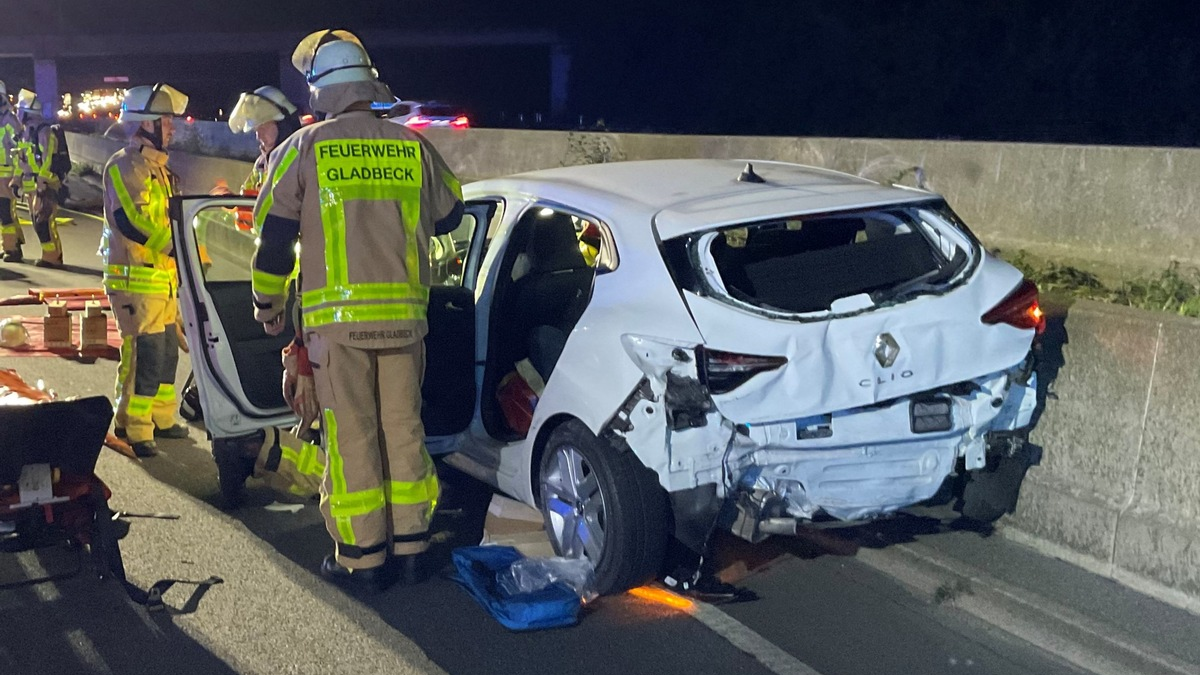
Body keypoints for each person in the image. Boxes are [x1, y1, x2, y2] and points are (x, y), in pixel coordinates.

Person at [251, 29, 463, 591]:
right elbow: (451, 214)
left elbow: (274, 242)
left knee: (352, 437)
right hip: (406, 323)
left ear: (320, 90)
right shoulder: (413, 146)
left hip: (338, 328)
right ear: (370, 84)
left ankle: (363, 558)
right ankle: (412, 548)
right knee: (404, 430)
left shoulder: (304, 148)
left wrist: (268, 305)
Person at [101, 83, 191, 457]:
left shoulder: (161, 170)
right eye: (165, 120)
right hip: (135, 280)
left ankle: (161, 418)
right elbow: (129, 220)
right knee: (145, 354)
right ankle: (133, 426)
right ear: (146, 123)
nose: (171, 127)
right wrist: (176, 246)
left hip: (162, 280)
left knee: (167, 351)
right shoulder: (124, 165)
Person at [12, 89, 69, 267]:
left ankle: (52, 257)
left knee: (43, 222)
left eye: (19, 110)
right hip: (31, 184)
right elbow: (22, 159)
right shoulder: (26, 132)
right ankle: (51, 255)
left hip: (44, 185)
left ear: (27, 112)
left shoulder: (44, 132)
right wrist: (17, 179)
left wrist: (42, 181)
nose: (17, 113)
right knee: (37, 222)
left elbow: (48, 159)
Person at [227, 85, 303, 194]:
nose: (258, 136)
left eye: (263, 127)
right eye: (256, 130)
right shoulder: (261, 164)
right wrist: (230, 199)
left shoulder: (301, 161)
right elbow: (248, 196)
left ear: (283, 126)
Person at [0, 81, 25, 262]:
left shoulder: (9, 119)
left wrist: (17, 176)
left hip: (7, 174)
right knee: (3, 213)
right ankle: (10, 245)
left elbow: (19, 149)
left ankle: (12, 250)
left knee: (6, 211)